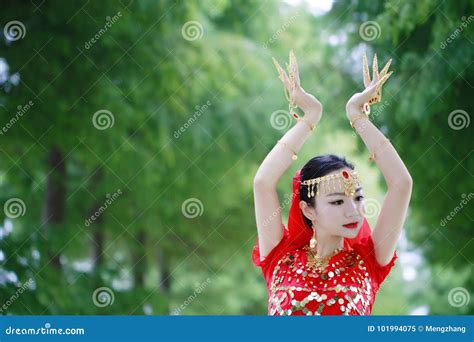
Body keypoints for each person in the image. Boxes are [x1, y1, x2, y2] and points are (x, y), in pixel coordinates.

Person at [252, 51, 412, 315]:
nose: (353, 211)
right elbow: (262, 183)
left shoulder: (370, 260)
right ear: (308, 209)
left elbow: (401, 183)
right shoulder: (281, 257)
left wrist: (358, 116)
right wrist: (310, 117)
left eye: (358, 198)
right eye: (337, 201)